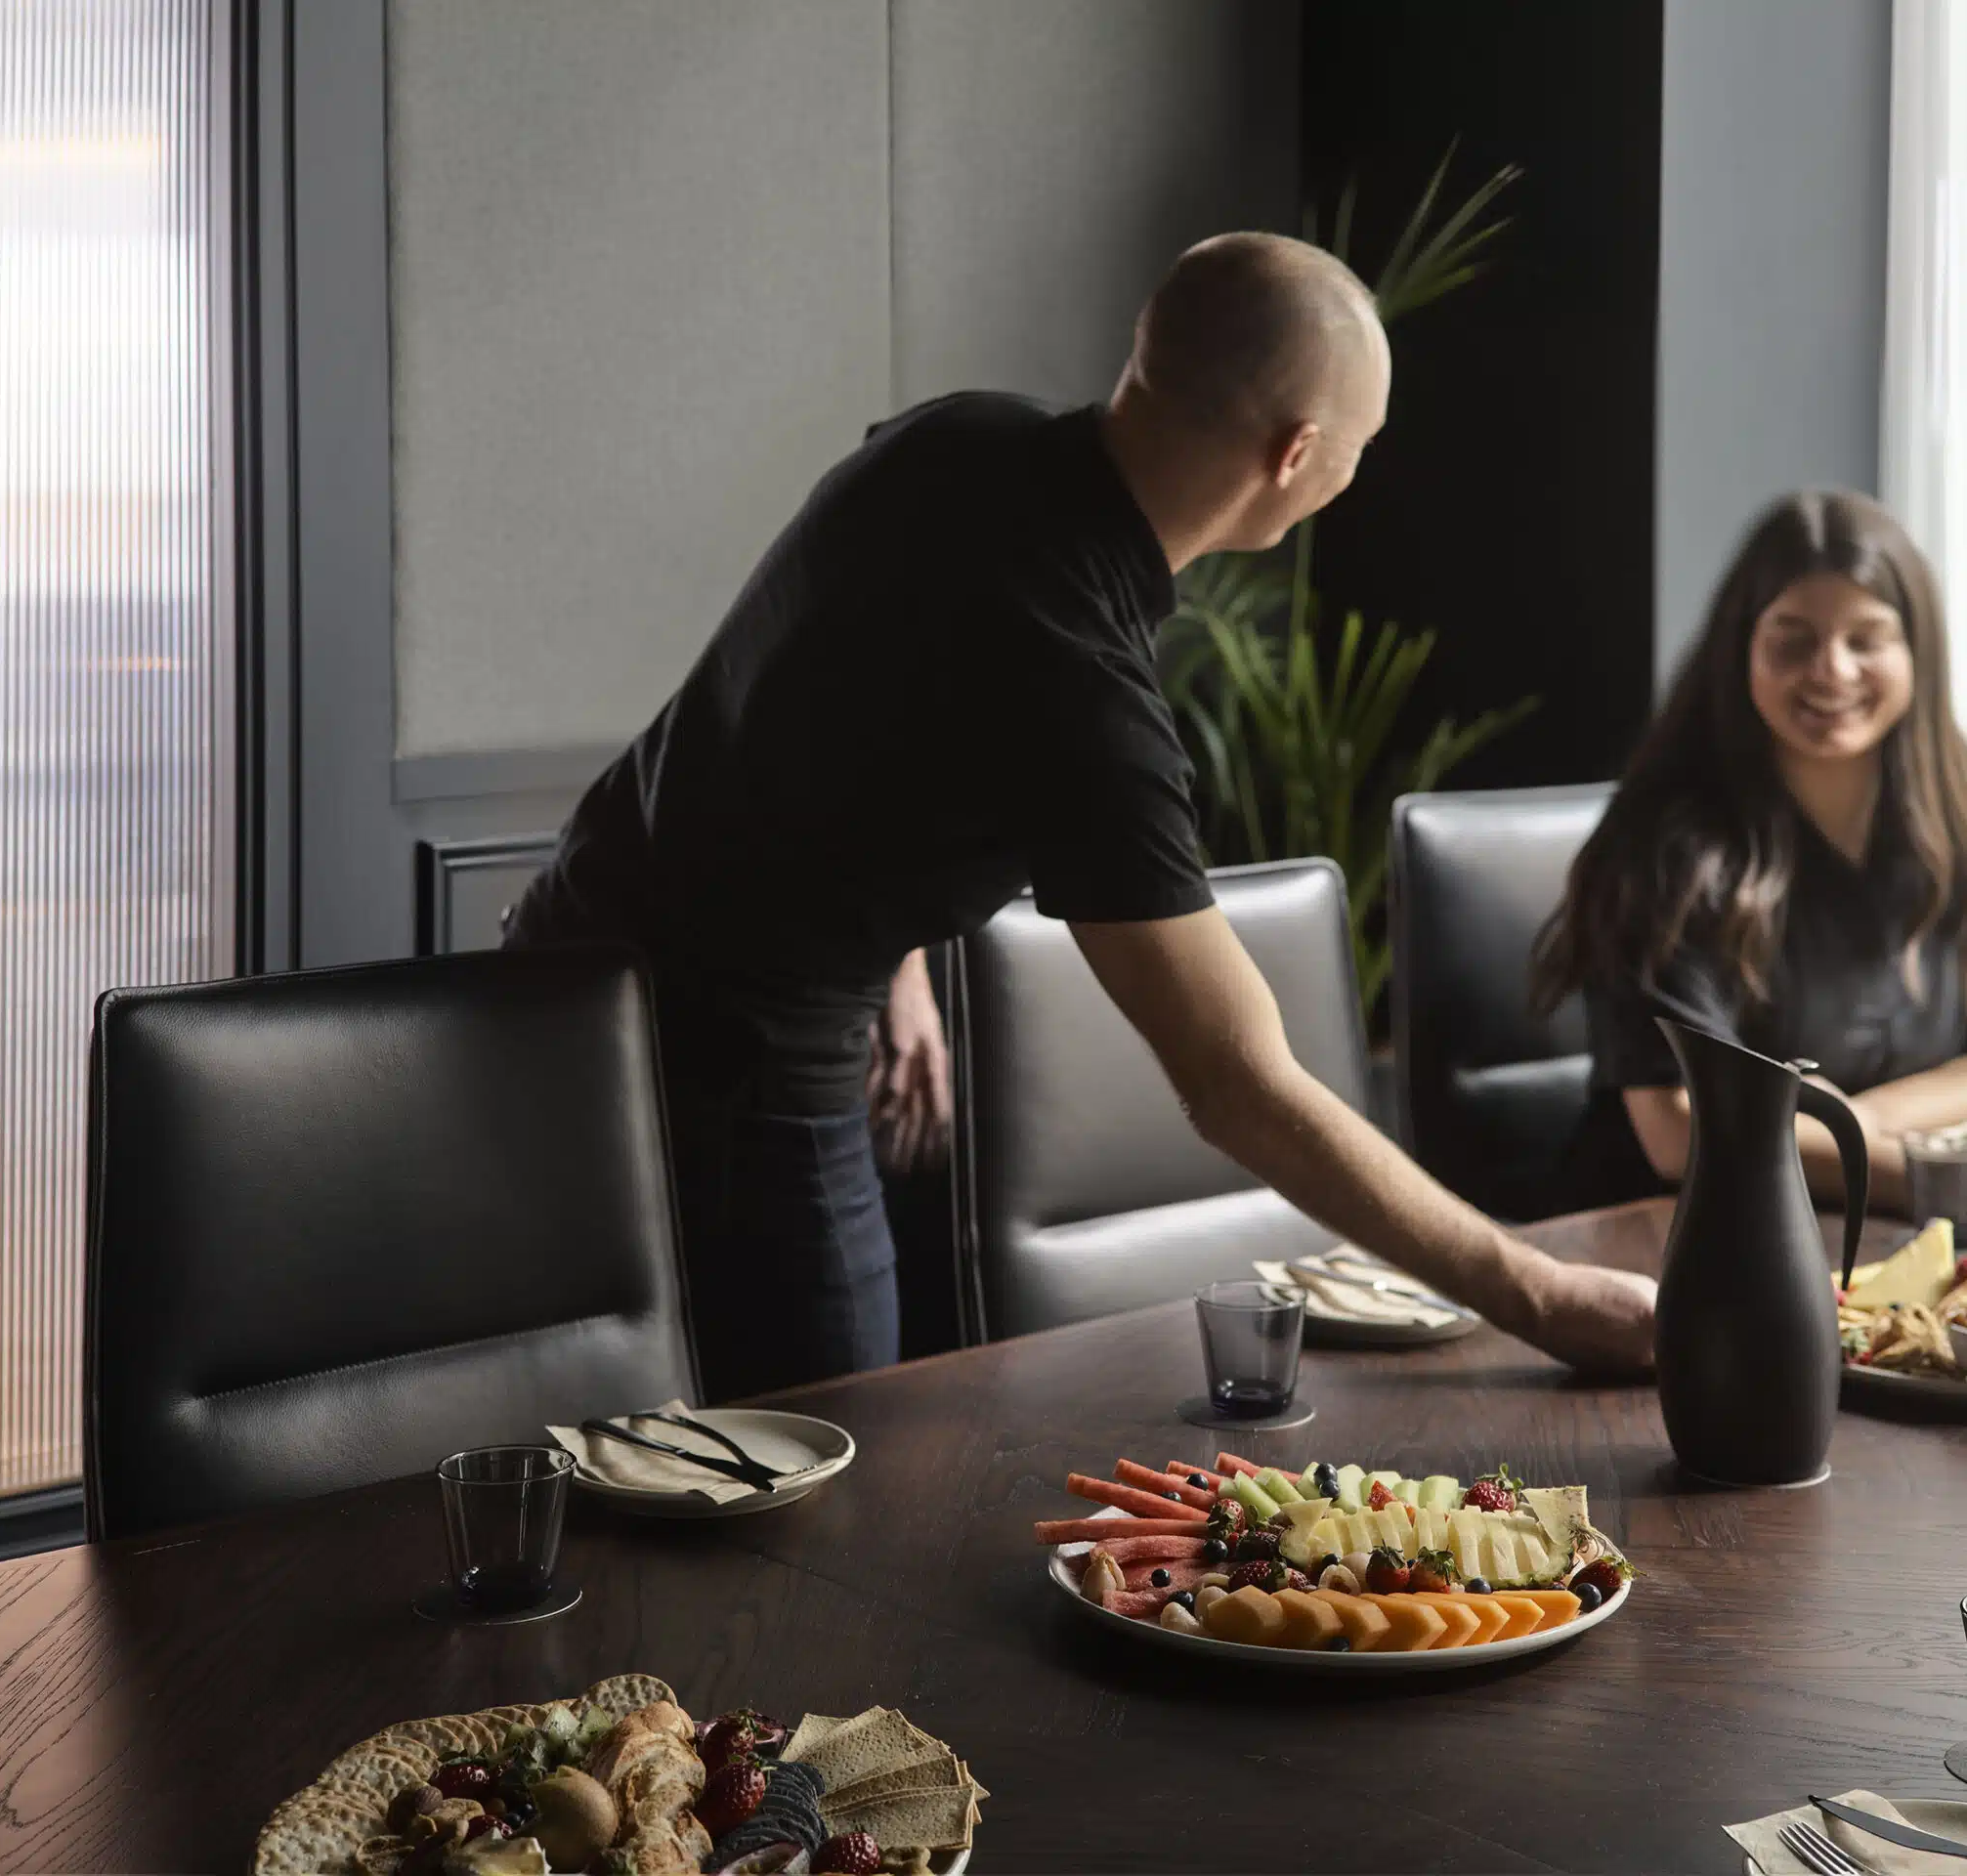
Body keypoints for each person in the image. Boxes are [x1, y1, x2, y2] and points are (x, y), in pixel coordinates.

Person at [507, 232, 1654, 1399]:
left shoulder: (954, 437)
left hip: (556, 967)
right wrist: (1540, 1293)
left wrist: (894, 948)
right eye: (1359, 449)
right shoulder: (1078, 686)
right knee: (823, 1474)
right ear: (1296, 454)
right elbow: (1237, 1084)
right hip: (733, 1069)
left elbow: (848, 696)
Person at [1532, 490, 1967, 1232]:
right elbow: (1677, 1129)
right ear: (1740, 649)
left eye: (1867, 639)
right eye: (1794, 641)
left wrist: (1860, 1123)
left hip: (1868, 1236)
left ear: (1918, 652)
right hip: (1671, 1249)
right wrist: (1915, 1171)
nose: (1831, 670)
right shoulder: (1667, 847)